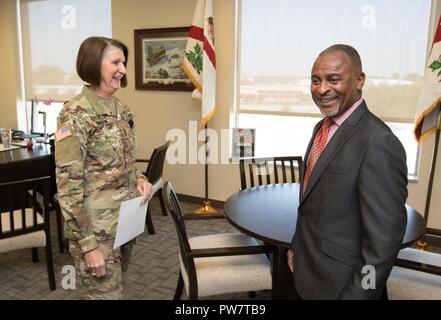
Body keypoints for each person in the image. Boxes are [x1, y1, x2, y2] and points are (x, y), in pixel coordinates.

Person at [287, 44, 408, 299]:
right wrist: (296, 245)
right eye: (315, 80)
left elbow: (382, 247)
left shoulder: (379, 142)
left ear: (359, 80)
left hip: (344, 287)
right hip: (309, 272)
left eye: (333, 79)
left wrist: (359, 295)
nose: (322, 89)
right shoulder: (322, 127)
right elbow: (310, 204)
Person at [55, 37, 152, 299]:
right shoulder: (75, 114)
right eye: (116, 62)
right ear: (94, 64)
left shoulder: (122, 110)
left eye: (124, 62)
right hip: (96, 232)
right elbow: (68, 188)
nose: (123, 69)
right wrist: (88, 247)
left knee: (116, 289)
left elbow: (126, 161)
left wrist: (140, 179)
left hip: (124, 222)